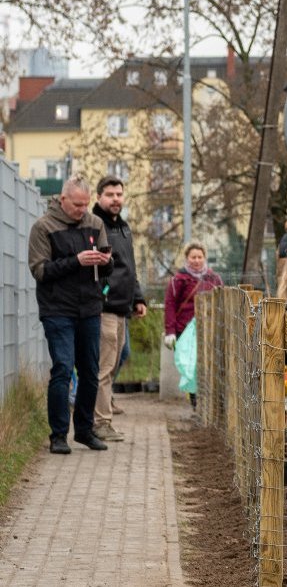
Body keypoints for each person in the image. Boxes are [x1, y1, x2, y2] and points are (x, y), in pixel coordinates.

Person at [28, 176, 114, 454]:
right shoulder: (43, 227)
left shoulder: (95, 224)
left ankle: (85, 431)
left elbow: (108, 268)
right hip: (57, 309)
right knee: (63, 368)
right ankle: (58, 435)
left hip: (89, 308)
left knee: (90, 371)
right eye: (77, 204)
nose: (82, 210)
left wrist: (105, 261)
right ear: (62, 199)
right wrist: (76, 261)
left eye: (86, 205)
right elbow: (40, 271)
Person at [92, 176, 147, 442]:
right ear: (99, 197)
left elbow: (130, 268)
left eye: (119, 194)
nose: (116, 199)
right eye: (110, 194)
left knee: (115, 362)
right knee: (104, 366)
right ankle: (100, 422)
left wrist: (139, 298)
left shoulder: (123, 227)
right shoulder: (94, 225)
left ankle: (101, 411)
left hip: (123, 307)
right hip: (104, 306)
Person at [163, 242, 223, 406]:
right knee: (191, 367)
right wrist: (170, 331)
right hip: (185, 331)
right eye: (193, 257)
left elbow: (221, 302)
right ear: (187, 258)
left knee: (207, 365)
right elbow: (170, 305)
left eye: (199, 257)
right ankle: (196, 403)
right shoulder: (178, 279)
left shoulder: (214, 278)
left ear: (204, 258)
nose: (196, 260)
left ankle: (208, 401)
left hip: (208, 329)